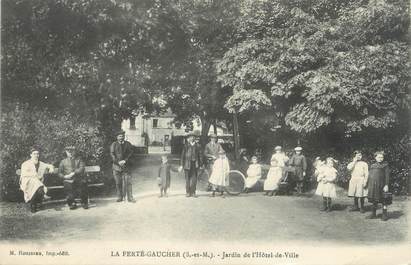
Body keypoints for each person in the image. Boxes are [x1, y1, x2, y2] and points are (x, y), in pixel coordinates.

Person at [20, 148, 54, 213]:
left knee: (35, 185)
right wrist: (35, 176)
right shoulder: (26, 163)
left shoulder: (41, 163)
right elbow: (24, 174)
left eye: (37, 154)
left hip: (37, 183)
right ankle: (43, 194)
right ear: (31, 155)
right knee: (34, 182)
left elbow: (49, 165)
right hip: (27, 181)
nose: (36, 155)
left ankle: (33, 206)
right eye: (34, 154)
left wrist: (51, 168)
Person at [110, 130, 136, 203]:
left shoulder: (128, 144)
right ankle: (120, 197)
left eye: (122, 136)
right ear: (117, 137)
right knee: (118, 183)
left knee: (128, 182)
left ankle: (130, 198)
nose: (121, 137)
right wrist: (118, 162)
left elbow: (131, 153)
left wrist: (125, 160)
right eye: (119, 136)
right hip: (116, 167)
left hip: (126, 166)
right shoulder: (113, 145)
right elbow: (112, 155)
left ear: (124, 137)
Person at [367, 151, 390, 221]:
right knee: (374, 200)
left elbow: (387, 176)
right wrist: (368, 184)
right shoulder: (372, 166)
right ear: (375, 158)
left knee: (384, 200)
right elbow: (370, 176)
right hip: (373, 185)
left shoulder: (385, 165)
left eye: (382, 157)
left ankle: (384, 214)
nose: (381, 158)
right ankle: (373, 214)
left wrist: (386, 185)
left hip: (382, 185)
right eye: (379, 157)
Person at [180, 133, 202, 197]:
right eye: (190, 137)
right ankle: (187, 192)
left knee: (194, 179)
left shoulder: (198, 145)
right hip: (187, 164)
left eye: (192, 137)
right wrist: (181, 164)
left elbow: (200, 156)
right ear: (188, 138)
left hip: (195, 164)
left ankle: (193, 192)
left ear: (194, 138)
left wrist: (200, 164)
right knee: (187, 179)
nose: (191, 138)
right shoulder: (186, 146)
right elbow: (182, 156)